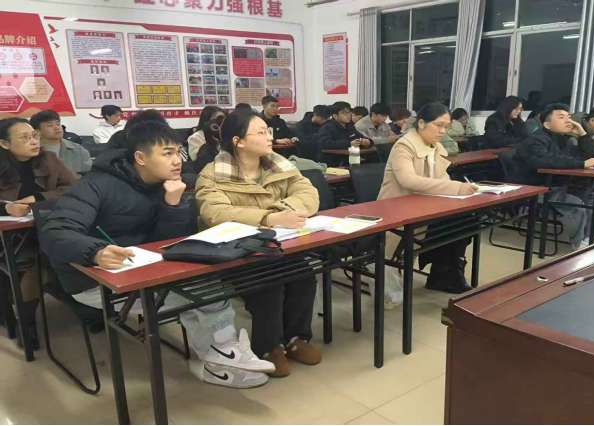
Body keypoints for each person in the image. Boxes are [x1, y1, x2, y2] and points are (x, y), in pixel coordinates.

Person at [40, 120, 274, 388]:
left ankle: (221, 357)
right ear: (141, 157)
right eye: (167, 153)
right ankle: (222, 357)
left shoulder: (169, 185)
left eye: (178, 152)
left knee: (206, 287)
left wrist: (173, 205)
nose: (177, 161)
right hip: (94, 281)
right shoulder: (96, 185)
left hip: (147, 271)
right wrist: (95, 251)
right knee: (201, 295)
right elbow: (54, 232)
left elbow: (171, 244)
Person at [196, 111, 321, 378]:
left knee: (304, 274)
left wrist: (281, 212)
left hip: (279, 244)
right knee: (269, 283)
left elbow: (308, 193)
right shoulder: (213, 173)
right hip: (238, 250)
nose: (269, 137)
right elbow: (216, 213)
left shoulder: (279, 165)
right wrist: (270, 218)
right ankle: (268, 346)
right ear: (238, 141)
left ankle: (296, 338)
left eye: (269, 131)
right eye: (261, 132)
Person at [378, 103, 479, 294]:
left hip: (426, 206)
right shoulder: (404, 146)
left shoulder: (434, 146)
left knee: (465, 219)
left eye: (446, 127)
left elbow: (442, 178)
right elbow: (408, 180)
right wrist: (456, 188)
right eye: (439, 125)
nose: (443, 131)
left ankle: (446, 270)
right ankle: (443, 271)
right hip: (398, 209)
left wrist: (461, 190)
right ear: (422, 123)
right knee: (453, 223)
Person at [511, 104, 594, 250]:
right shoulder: (536, 139)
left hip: (560, 185)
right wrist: (582, 164)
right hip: (538, 188)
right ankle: (579, 245)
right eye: (561, 117)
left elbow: (589, 156)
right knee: (576, 206)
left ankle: (593, 239)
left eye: (568, 117)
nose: (568, 120)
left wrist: (583, 135)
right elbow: (548, 160)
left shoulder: (564, 139)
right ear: (547, 125)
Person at [0, 118, 78, 349]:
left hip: (46, 226)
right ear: (4, 143)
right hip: (9, 237)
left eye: (34, 135)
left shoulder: (49, 159)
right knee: (33, 260)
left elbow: (74, 187)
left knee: (68, 250)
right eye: (24, 138)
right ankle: (27, 323)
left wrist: (39, 198)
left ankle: (88, 309)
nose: (34, 142)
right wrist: (6, 208)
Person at [30, 111, 92, 175]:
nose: (57, 128)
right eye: (50, 125)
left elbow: (90, 175)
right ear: (37, 131)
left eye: (58, 124)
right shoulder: (32, 151)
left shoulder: (78, 149)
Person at [317, 102, 372, 166]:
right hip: (331, 161)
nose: (348, 115)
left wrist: (367, 142)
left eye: (349, 112)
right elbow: (324, 143)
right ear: (335, 116)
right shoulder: (327, 127)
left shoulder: (350, 127)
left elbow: (360, 137)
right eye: (344, 113)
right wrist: (349, 144)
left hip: (349, 159)